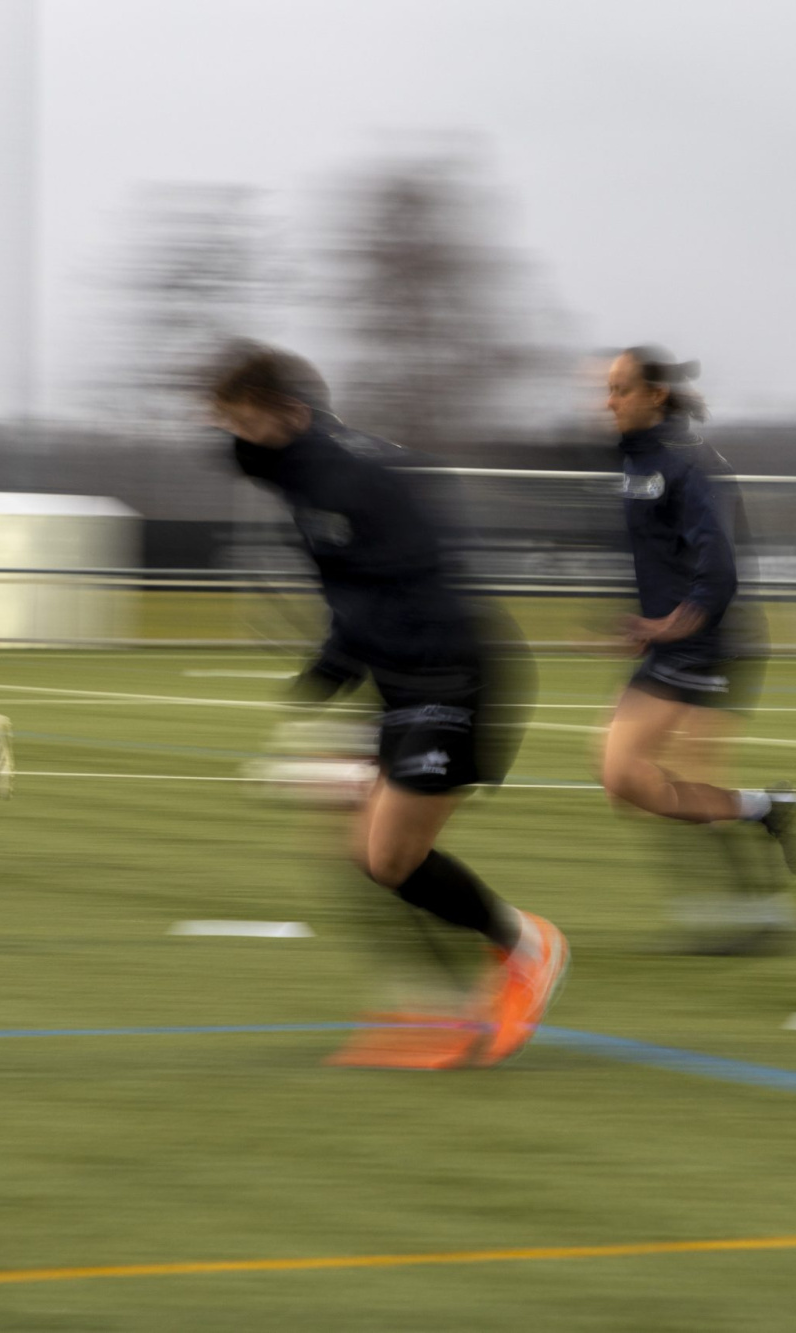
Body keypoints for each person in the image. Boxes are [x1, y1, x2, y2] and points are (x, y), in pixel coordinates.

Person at [208, 340, 566, 1070]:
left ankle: (529, 946)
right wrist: (330, 670)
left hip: (453, 675)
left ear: (290, 414)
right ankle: (429, 1005)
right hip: (401, 678)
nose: (238, 442)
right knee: (352, 842)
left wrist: (336, 663)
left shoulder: (352, 476)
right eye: (230, 426)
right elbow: (357, 592)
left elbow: (400, 581)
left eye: (247, 425)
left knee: (392, 856)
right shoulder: (301, 475)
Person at [596, 347, 796, 948]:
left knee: (667, 776)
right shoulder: (640, 460)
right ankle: (763, 814)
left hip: (713, 642)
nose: (608, 402)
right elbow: (661, 554)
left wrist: (673, 624)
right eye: (608, 389)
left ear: (655, 394)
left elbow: (719, 568)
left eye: (620, 389)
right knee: (628, 779)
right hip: (674, 645)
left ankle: (760, 916)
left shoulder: (689, 463)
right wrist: (646, 625)